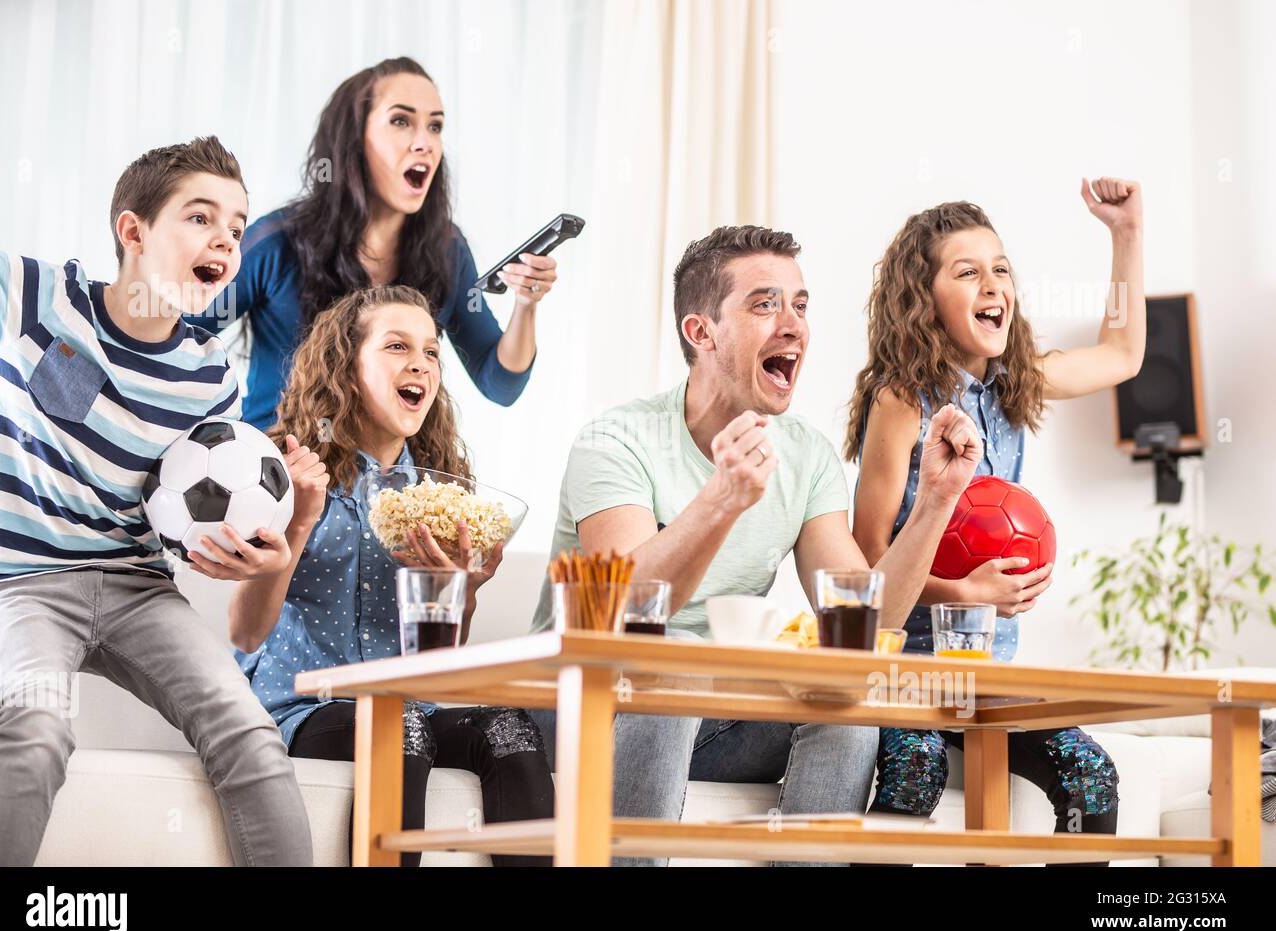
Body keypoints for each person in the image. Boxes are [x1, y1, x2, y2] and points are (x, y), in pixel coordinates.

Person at [531, 224, 983, 865]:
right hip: (584, 704)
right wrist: (722, 498)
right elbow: (625, 611)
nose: (794, 325)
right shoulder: (615, 441)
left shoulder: (806, 455)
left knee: (843, 706)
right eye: (765, 304)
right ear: (701, 333)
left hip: (715, 713)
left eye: (801, 305)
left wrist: (937, 501)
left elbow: (864, 621)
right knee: (675, 667)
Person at [0, 137, 313, 865]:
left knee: (249, 731)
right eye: (200, 217)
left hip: (138, 589)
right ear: (133, 232)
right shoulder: (42, 301)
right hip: (21, 585)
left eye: (235, 226)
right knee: (36, 729)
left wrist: (245, 555)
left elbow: (192, 523)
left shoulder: (210, 378)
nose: (224, 238)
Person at [846, 178, 1146, 855]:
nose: (993, 285)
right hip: (906, 670)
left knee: (1092, 778)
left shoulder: (1016, 384)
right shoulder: (900, 400)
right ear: (924, 299)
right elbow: (864, 566)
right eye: (968, 271)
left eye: (1001, 269)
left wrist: (1124, 234)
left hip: (986, 675)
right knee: (915, 772)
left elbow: (1124, 356)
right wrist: (965, 592)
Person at [222, 285, 555, 866]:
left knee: (511, 727)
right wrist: (299, 522)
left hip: (411, 706)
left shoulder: (439, 490)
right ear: (345, 368)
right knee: (396, 723)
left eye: (431, 352)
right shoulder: (285, 470)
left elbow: (440, 654)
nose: (420, 364)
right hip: (300, 709)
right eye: (397, 346)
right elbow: (246, 633)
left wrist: (465, 587)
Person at [188, 56, 560, 430]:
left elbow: (500, 384)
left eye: (435, 126)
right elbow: (183, 341)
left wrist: (526, 304)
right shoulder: (277, 243)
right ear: (354, 140)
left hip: (389, 479)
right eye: (401, 121)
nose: (425, 143)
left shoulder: (446, 251)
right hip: (280, 469)